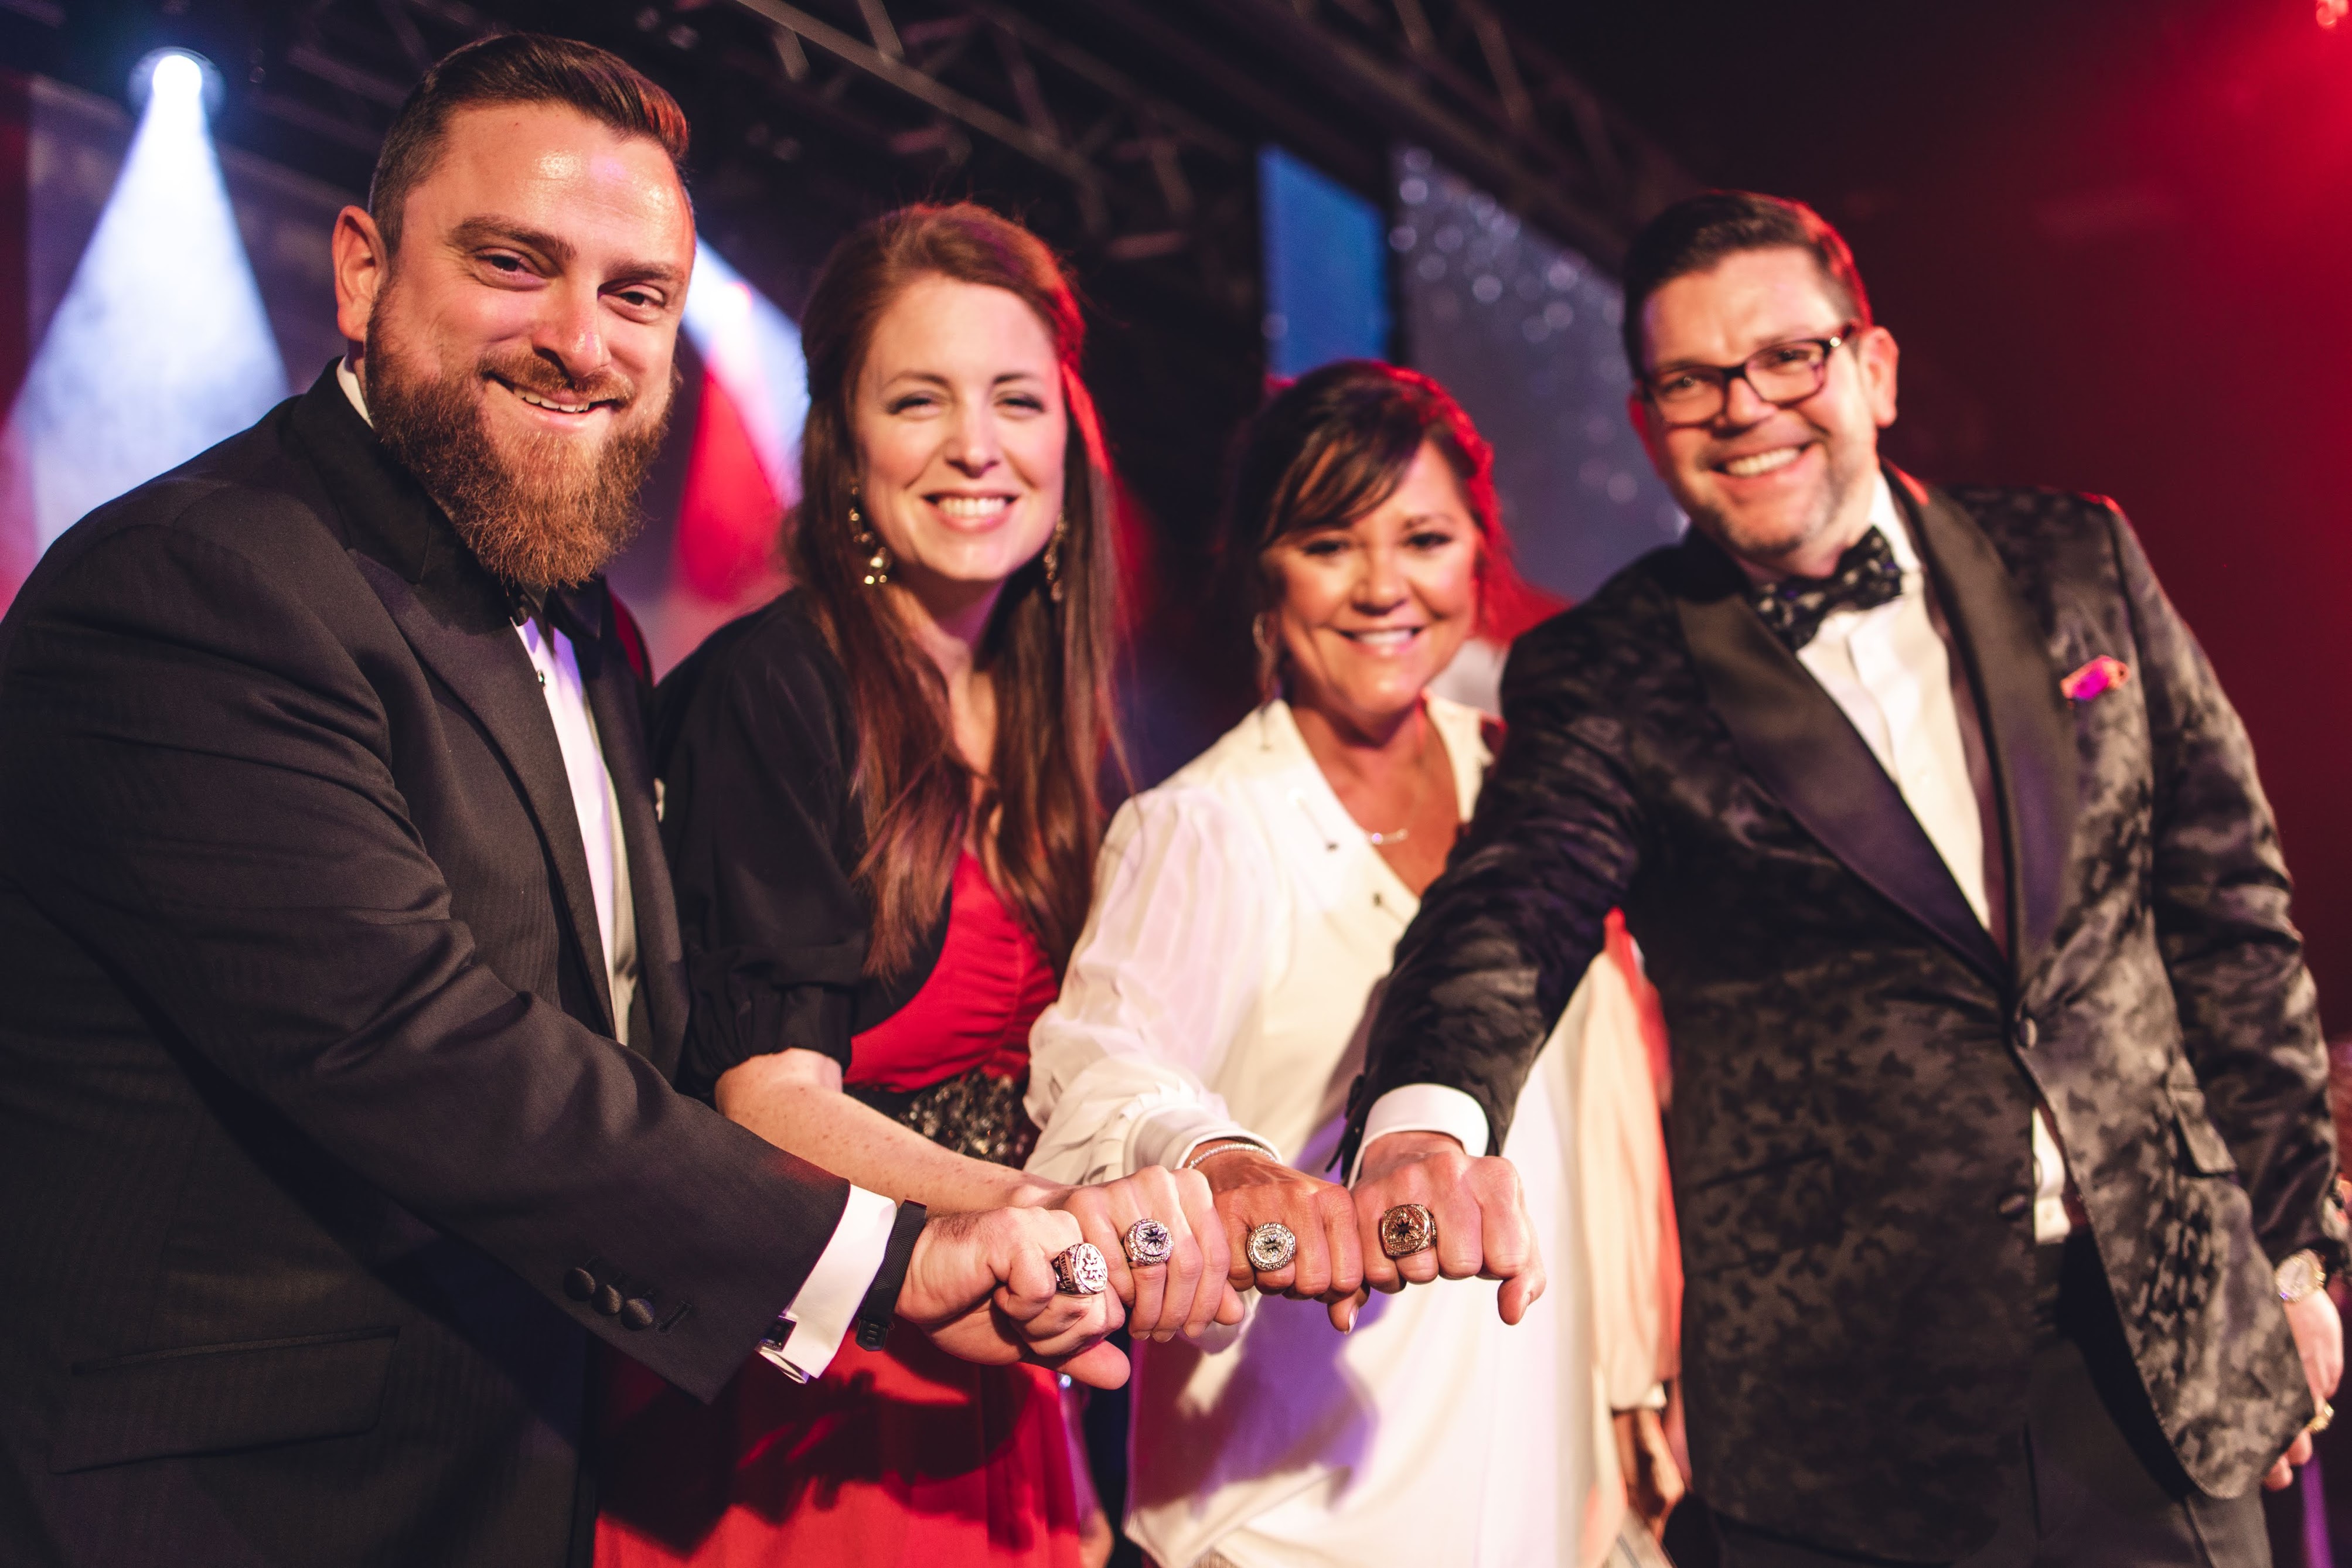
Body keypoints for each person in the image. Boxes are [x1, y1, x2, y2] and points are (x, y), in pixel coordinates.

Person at [0, 39, 1121, 1568]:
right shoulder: (195, 580)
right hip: (247, 1510)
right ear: (362, 269)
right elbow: (412, 1041)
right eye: (513, 264)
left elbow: (633, 1043)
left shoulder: (591, 629)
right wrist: (892, 1253)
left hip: (534, 1467)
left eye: (637, 294)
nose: (580, 340)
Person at [1338, 189, 2349, 1566]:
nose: (1745, 406)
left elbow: (2231, 922)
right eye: (1693, 380)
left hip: (2166, 1364)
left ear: (1873, 369)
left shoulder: (2080, 559)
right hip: (1845, 1429)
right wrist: (1424, 1123)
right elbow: (1511, 909)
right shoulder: (1610, 667)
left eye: (1787, 358)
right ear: (1645, 422)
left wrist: (2296, 1256)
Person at [593, 203, 1230, 1568]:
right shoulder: (776, 688)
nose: (977, 446)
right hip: (810, 1402)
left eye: (1017, 398)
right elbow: (769, 1094)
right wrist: (1033, 1218)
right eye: (918, 400)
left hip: (1002, 1381)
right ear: (844, 443)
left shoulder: (1048, 718)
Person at [1022, 360, 1685, 1568]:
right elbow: (1098, 1070)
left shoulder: (1527, 784)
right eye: (1331, 544)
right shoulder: (1211, 827)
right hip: (1294, 1525)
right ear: (1264, 574)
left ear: (1478, 559)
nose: (1384, 587)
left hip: (1550, 1509)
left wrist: (1642, 1365)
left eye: (1423, 539)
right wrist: (1222, 1168)